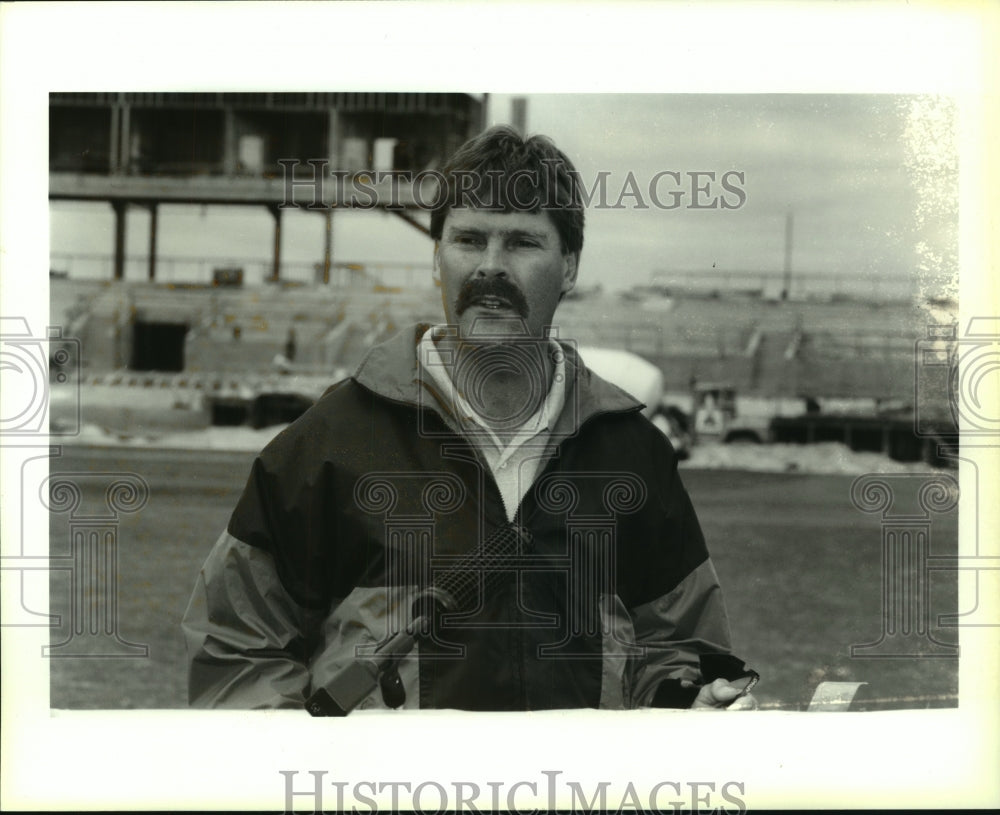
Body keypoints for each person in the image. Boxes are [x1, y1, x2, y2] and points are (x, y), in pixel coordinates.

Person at [182, 126, 755, 712]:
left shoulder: (635, 454)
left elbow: (680, 645)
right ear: (437, 258)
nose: (490, 267)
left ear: (571, 266)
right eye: (469, 239)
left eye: (522, 243)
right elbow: (239, 647)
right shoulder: (328, 443)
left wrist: (687, 705)